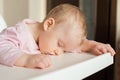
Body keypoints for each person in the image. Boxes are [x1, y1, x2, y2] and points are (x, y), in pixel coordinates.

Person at [0, 4, 115, 69]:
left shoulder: (47, 37)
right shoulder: (19, 33)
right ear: (48, 24)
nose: (59, 52)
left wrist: (91, 45)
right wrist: (25, 59)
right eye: (59, 45)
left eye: (63, 49)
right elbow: (1, 46)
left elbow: (70, 44)